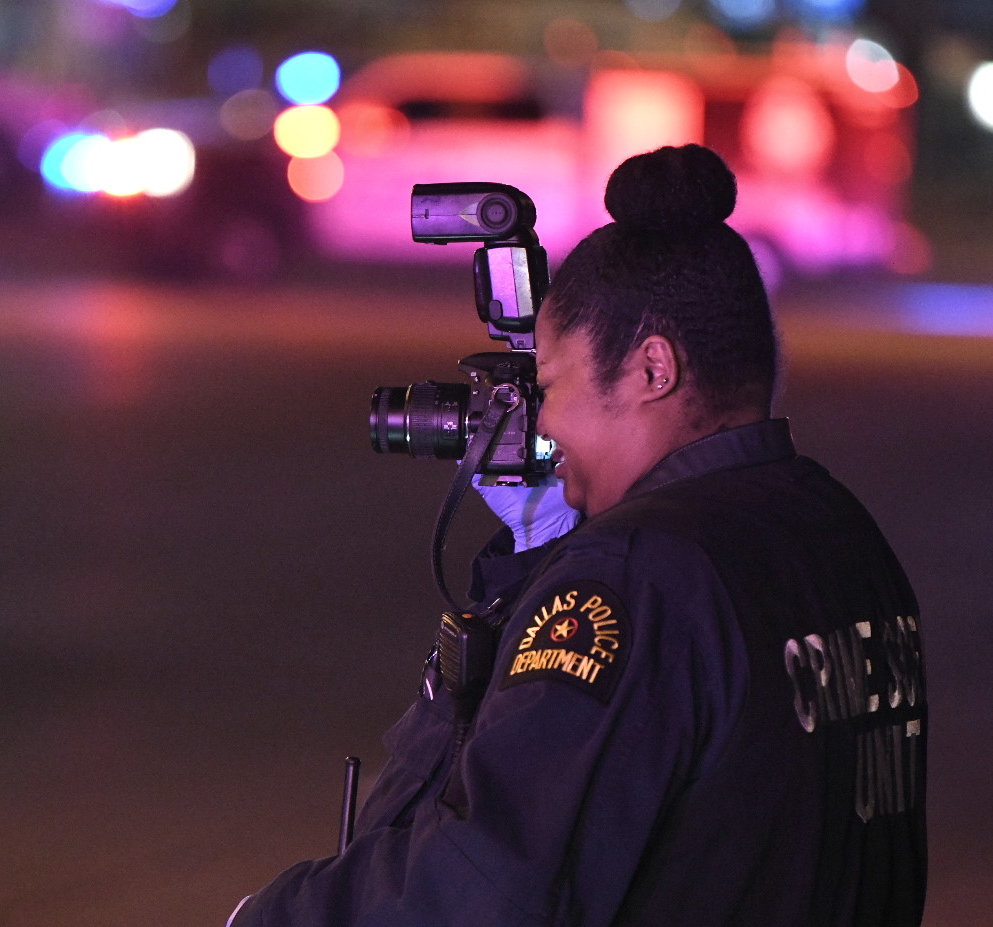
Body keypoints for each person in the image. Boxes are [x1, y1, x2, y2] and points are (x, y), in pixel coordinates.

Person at [227, 144, 927, 926]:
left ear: (651, 369)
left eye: (552, 386)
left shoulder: (635, 574)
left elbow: (486, 890)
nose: (542, 422)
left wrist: (275, 914)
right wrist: (538, 551)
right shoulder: (842, 534)